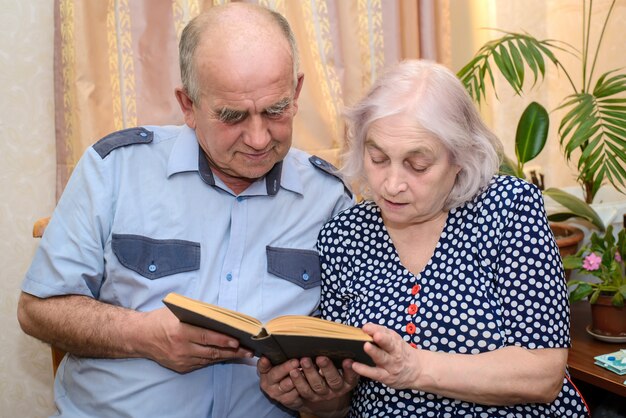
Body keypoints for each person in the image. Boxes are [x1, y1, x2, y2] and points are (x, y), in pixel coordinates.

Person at [17, 3, 354, 417]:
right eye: (232, 116)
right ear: (188, 105)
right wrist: (142, 335)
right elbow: (37, 310)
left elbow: (341, 378)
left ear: (297, 92)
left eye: (275, 110)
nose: (258, 137)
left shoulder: (331, 200)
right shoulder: (116, 169)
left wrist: (321, 395)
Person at [260, 60, 590, 417]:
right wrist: (313, 394)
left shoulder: (508, 208)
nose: (392, 184)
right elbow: (341, 401)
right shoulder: (344, 235)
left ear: (459, 158)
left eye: (417, 165)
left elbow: (543, 375)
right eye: (378, 157)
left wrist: (415, 369)